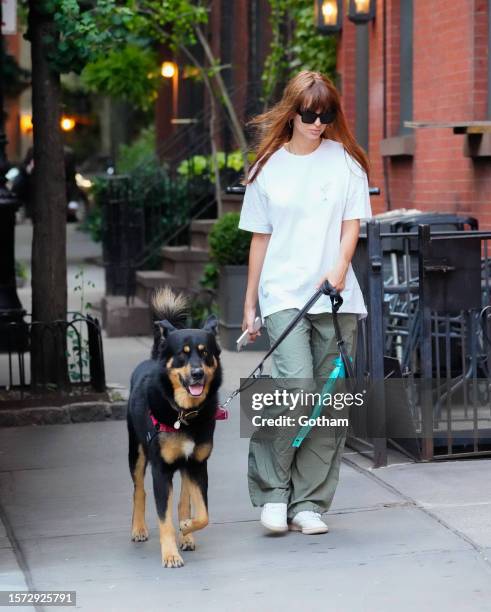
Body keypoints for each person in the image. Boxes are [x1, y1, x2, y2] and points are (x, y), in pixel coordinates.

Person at [238, 70, 372, 535]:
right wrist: (249, 303)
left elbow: (352, 225)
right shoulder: (266, 168)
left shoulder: (347, 162)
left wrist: (339, 268)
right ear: (292, 112)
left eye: (326, 115)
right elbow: (260, 238)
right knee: (295, 392)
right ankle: (273, 492)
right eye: (310, 115)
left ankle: (310, 503)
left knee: (328, 403)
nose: (319, 123)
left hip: (336, 298)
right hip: (284, 295)